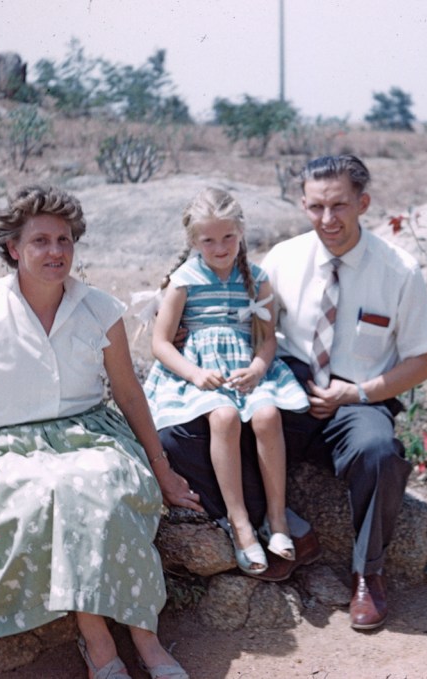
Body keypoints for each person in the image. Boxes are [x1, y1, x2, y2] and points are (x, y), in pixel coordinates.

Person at [0, 186, 197, 679]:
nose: (56, 252)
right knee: (55, 493)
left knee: (101, 488)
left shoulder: (99, 308)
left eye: (64, 240)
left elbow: (130, 396)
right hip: (7, 445)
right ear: (13, 249)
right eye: (41, 241)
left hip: (93, 436)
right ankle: (100, 645)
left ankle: (145, 639)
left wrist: (163, 470)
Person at [162, 155, 427, 630]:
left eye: (339, 206)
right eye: (316, 207)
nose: (327, 220)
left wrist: (358, 394)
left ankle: (367, 574)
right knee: (179, 439)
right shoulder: (283, 259)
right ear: (303, 205)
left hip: (357, 397)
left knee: (379, 451)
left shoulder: (400, 270)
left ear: (363, 203)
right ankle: (286, 528)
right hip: (287, 387)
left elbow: (422, 361)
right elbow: (250, 326)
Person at [142, 187, 309, 576]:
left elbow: (268, 339)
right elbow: (160, 343)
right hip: (200, 373)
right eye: (209, 240)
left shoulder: (257, 279)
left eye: (228, 237)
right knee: (223, 417)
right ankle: (240, 524)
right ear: (193, 240)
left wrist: (257, 368)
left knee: (267, 416)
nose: (220, 247)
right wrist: (195, 373)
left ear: (241, 233)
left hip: (243, 371)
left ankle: (277, 519)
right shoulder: (184, 281)